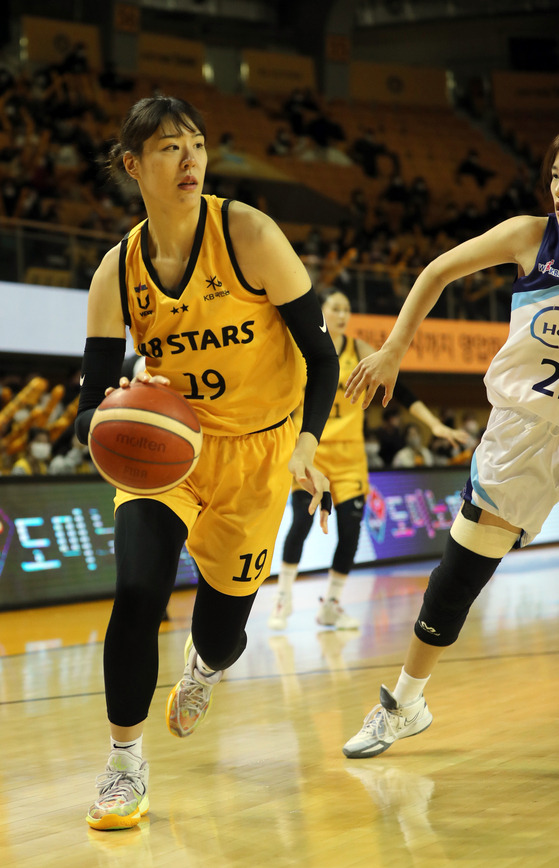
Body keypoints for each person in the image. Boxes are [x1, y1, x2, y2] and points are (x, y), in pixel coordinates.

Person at [74, 95, 339, 830]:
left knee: (221, 636)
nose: (188, 158)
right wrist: (121, 398)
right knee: (135, 590)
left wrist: (307, 447)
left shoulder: (247, 232)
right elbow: (86, 412)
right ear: (133, 166)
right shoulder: (114, 273)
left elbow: (321, 357)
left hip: (259, 454)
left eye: (194, 143)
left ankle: (204, 668)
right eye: (167, 148)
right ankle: (124, 765)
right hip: (169, 456)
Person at [341, 133, 559, 759]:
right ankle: (406, 704)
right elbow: (438, 270)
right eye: (555, 176)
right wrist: (391, 351)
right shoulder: (530, 236)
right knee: (460, 574)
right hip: (520, 430)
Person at [268, 288, 468, 631]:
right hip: (311, 454)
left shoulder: (358, 349)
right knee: (300, 523)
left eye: (347, 309)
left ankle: (331, 604)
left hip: (349, 459)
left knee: (349, 532)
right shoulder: (302, 348)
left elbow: (398, 388)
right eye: (336, 308)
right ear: (323, 311)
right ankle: (283, 597)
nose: (342, 315)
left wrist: (434, 424)